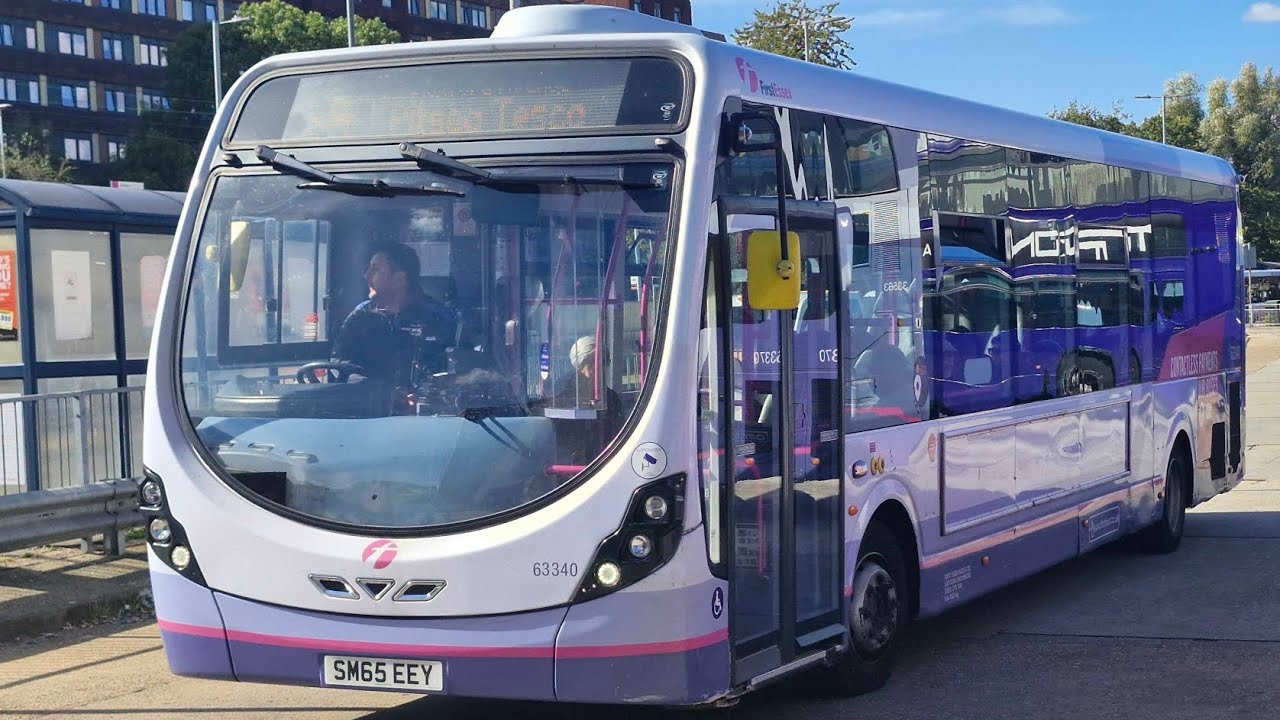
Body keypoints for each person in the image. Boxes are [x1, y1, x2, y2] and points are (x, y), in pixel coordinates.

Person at [331, 242, 455, 387]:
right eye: (368, 269)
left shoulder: (438, 317)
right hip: (367, 403)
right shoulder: (360, 315)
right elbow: (339, 361)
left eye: (375, 270)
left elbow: (455, 368)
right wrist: (365, 387)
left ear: (400, 279)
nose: (366, 275)